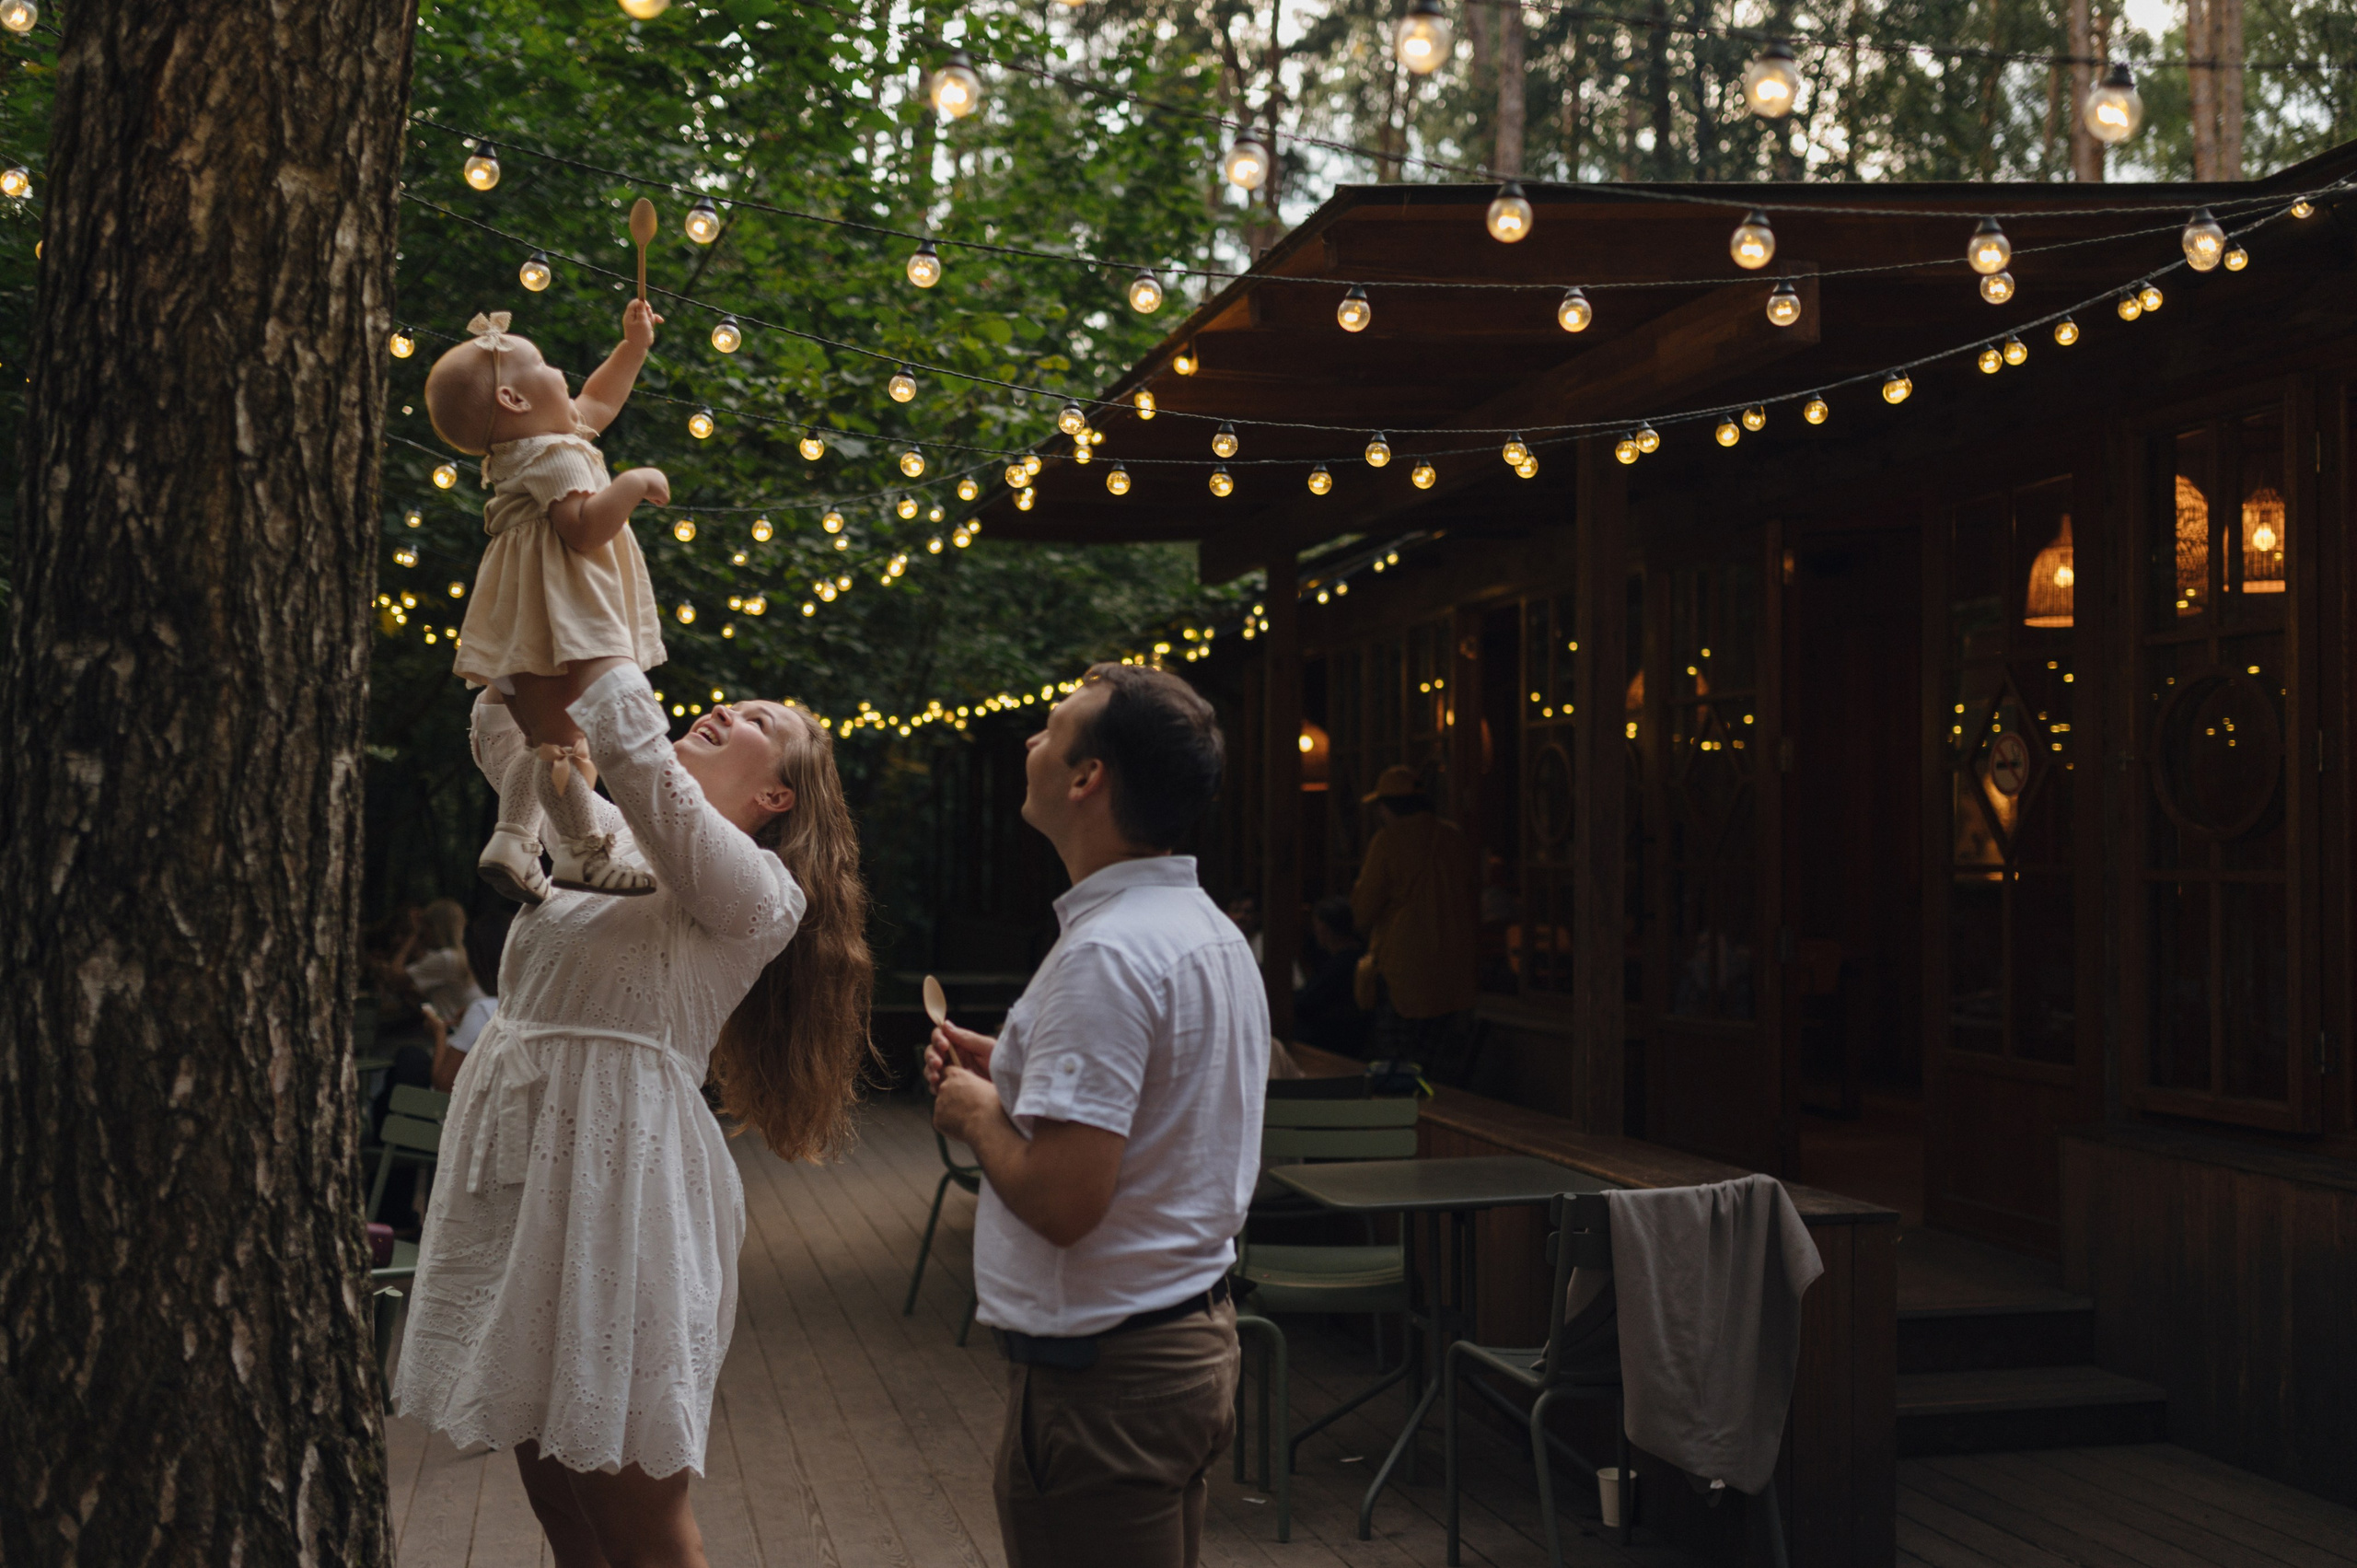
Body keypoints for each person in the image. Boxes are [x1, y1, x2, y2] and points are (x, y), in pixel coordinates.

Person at [393, 658, 874, 1568]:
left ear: (777, 793)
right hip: (528, 1176)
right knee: (557, 1494)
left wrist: (603, 660)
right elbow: (514, 750)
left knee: (642, 1526)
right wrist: (518, 659)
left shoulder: (760, 892)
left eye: (759, 716)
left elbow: (649, 775)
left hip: (621, 1194)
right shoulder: (601, 836)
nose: (726, 704)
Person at [926, 664, 1267, 1568]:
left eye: (1049, 726)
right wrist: (1012, 1069)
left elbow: (1065, 1198)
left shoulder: (1107, 953)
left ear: (1088, 778)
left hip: (1104, 1381)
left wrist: (973, 1111)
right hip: (1176, 1346)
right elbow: (1158, 1106)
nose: (1029, 742)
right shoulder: (1202, 927)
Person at [424, 303, 671, 900]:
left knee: (554, 741)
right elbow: (583, 527)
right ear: (513, 400)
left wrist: (633, 346)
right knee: (564, 743)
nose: (562, 371)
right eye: (544, 364)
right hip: (559, 618)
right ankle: (582, 853)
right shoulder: (556, 456)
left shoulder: (533, 447)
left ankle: (514, 838)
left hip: (521, 619)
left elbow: (598, 402)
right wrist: (633, 485)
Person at [1351, 764, 1480, 1083]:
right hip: (1454, 973)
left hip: (1404, 973)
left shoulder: (1387, 842)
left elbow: (1364, 909)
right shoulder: (1453, 838)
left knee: (1398, 1071)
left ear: (1387, 807)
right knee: (1437, 1075)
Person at [1293, 894, 1373, 1057]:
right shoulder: (1359, 954)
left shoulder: (1340, 965)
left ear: (1323, 927)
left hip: (1336, 1043)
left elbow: (1304, 1002)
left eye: (1315, 925)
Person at [398, 897, 488, 1028]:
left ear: (435, 927)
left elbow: (395, 977)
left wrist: (413, 934)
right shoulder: (461, 955)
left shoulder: (445, 958)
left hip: (460, 1035)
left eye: (426, 926)